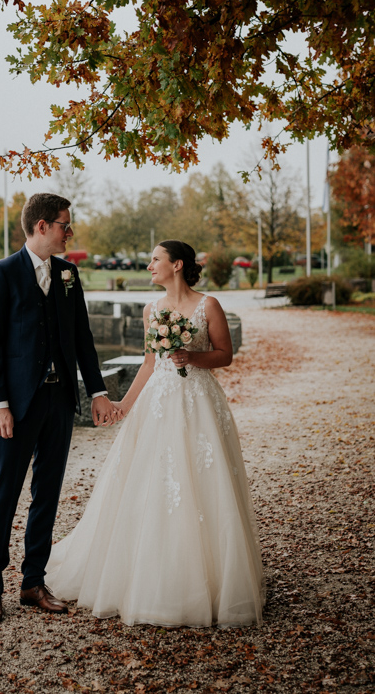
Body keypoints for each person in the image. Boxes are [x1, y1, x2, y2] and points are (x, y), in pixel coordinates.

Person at [45, 241, 265, 627]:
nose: (149, 265)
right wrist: (122, 406)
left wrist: (192, 357)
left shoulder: (208, 304)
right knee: (149, 482)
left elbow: (225, 354)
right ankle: (147, 577)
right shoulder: (152, 309)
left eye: (155, 259)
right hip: (158, 403)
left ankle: (211, 582)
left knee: (203, 483)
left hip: (199, 401)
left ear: (177, 265)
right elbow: (150, 363)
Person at [0, 193, 121, 623]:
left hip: (60, 402)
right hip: (17, 406)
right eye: (64, 225)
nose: (69, 232)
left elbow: (82, 339)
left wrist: (97, 392)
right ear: (41, 226)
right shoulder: (0, 274)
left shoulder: (68, 274)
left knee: (48, 493)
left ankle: (33, 581)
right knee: (5, 493)